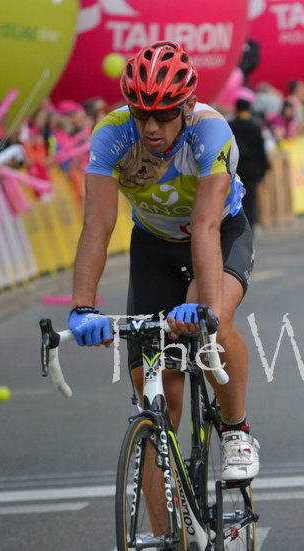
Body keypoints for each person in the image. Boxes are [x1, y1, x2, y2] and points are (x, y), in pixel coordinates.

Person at [66, 41, 260, 483]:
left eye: (165, 114)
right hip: (154, 246)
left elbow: (207, 225)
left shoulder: (211, 133)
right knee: (156, 406)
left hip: (219, 233)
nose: (151, 127)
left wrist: (204, 305)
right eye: (141, 113)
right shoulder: (112, 136)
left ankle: (235, 430)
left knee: (214, 324)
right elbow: (98, 223)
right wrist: (82, 306)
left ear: (188, 105)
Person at [229, 98, 270, 228]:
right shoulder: (255, 126)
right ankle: (249, 228)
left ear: (236, 109)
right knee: (250, 199)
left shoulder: (230, 126)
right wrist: (264, 170)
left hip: (235, 168)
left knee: (234, 199)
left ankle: (235, 227)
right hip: (252, 169)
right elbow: (261, 150)